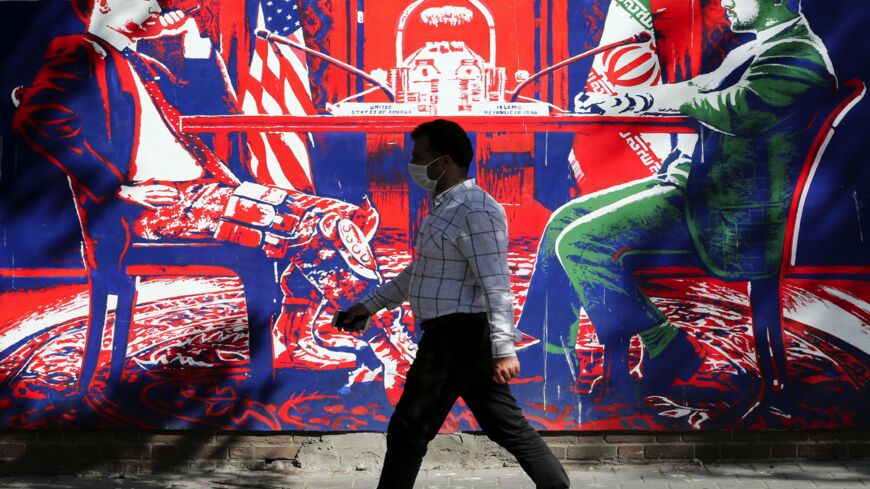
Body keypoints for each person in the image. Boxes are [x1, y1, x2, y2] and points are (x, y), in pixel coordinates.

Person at [12, 0, 390, 393]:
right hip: (153, 209)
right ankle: (386, 346)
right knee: (321, 224)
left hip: (203, 193)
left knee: (343, 216)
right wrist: (118, 188)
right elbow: (36, 118)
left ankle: (295, 335)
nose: (157, 8)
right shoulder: (79, 51)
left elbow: (216, 105)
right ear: (105, 4)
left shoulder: (146, 66)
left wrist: (189, 39)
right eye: (147, 1)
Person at [517, 0, 838, 401]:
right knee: (563, 221)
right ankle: (554, 353)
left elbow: (737, 110)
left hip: (730, 214)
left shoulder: (797, 54)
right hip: (698, 187)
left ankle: (666, 344)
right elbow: (696, 89)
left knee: (578, 242)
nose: (724, 4)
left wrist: (680, 101)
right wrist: (626, 103)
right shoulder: (757, 47)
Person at [343, 119, 570, 489]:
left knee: (408, 430)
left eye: (419, 156)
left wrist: (504, 349)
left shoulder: (475, 210)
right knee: (505, 425)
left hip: (456, 337)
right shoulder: (447, 207)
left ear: (444, 162)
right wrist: (368, 305)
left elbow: (496, 283)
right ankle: (556, 485)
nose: (412, 164)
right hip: (457, 337)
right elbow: (421, 271)